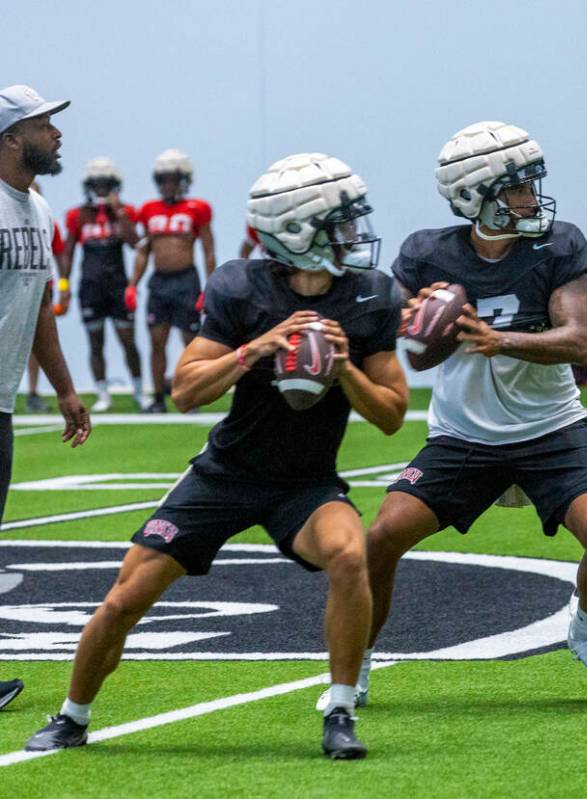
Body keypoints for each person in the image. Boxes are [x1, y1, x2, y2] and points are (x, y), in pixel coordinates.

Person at [26, 153, 408, 759]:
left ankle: (339, 710)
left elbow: (391, 415)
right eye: (340, 223)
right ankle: (72, 715)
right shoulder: (241, 286)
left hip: (305, 483)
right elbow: (184, 391)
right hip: (225, 474)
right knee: (127, 596)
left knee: (349, 554)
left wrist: (345, 372)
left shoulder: (370, 296)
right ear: (296, 230)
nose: (354, 236)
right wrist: (255, 349)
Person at [329, 121, 587, 708]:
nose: (531, 197)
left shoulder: (559, 243)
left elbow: (578, 341)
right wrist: (415, 321)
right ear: (477, 195)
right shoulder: (426, 253)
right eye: (518, 187)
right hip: (463, 437)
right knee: (381, 538)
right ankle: (357, 663)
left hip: (550, 429)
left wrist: (500, 339)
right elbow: (410, 349)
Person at [0, 83, 91, 523]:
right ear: (11, 139)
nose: (56, 135)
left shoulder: (39, 209)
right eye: (43, 125)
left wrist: (66, 389)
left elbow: (39, 305)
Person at [131, 149, 216, 413]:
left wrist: (210, 288)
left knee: (191, 343)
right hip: (159, 282)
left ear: (184, 180)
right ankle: (158, 398)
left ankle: (189, 395)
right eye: (164, 179)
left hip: (186, 280)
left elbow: (208, 250)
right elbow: (144, 250)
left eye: (173, 179)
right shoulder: (148, 210)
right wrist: (132, 284)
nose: (168, 184)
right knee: (157, 341)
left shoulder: (198, 208)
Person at [59, 157, 146, 412]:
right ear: (88, 186)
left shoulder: (125, 212)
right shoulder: (78, 215)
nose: (101, 189)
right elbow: (68, 251)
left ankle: (139, 391)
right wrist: (64, 286)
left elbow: (135, 243)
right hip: (90, 286)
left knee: (127, 340)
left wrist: (117, 211)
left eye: (106, 184)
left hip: (117, 285)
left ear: (114, 185)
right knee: (95, 342)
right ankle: (103, 393)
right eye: (96, 184)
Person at [26, 208, 66, 413]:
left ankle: (33, 392)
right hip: (11, 287)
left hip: (41, 288)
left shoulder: (46, 219)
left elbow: (60, 255)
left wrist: (64, 287)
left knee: (38, 340)